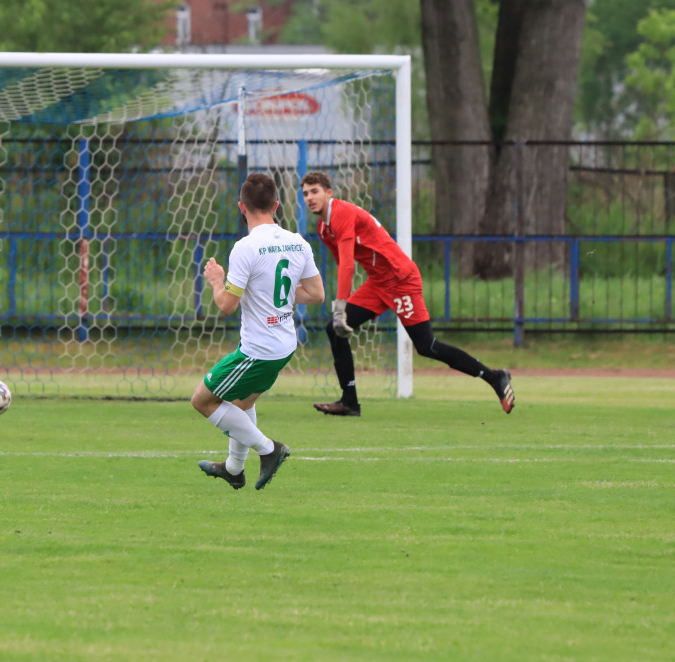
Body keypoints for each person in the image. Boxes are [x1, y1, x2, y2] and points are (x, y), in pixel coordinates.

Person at [300, 170, 514, 416]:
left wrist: (340, 307)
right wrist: (362, 308)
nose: (309, 197)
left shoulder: (341, 212)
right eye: (305, 193)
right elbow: (343, 263)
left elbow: (349, 264)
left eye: (314, 191)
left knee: (426, 346)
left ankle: (495, 377)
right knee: (333, 329)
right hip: (378, 283)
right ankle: (350, 402)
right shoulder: (324, 228)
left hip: (400, 279)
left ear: (329, 193)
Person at [192, 172, 325, 490]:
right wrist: (273, 296)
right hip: (284, 342)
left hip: (258, 349)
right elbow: (317, 294)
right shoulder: (298, 243)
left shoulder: (245, 248)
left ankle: (269, 450)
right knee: (242, 403)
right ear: (277, 205)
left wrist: (215, 280)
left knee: (203, 400)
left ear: (242, 207)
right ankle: (233, 469)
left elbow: (227, 305)